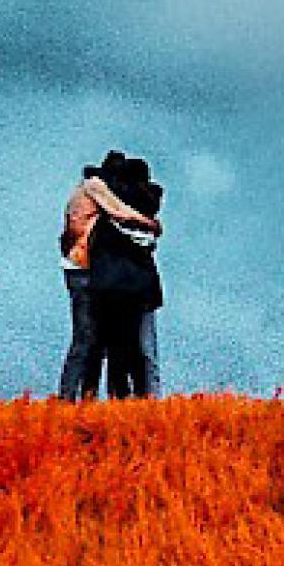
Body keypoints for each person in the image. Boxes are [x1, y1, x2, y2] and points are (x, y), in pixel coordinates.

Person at [57, 152, 161, 400]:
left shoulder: (85, 190)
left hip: (82, 268)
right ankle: (69, 397)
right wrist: (149, 223)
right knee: (86, 339)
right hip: (83, 270)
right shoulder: (94, 186)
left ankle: (83, 395)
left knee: (93, 340)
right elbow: (118, 211)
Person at [87, 152, 165, 398]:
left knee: (115, 349)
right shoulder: (144, 212)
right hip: (140, 288)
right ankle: (146, 398)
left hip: (111, 288)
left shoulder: (108, 218)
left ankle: (117, 396)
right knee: (141, 351)